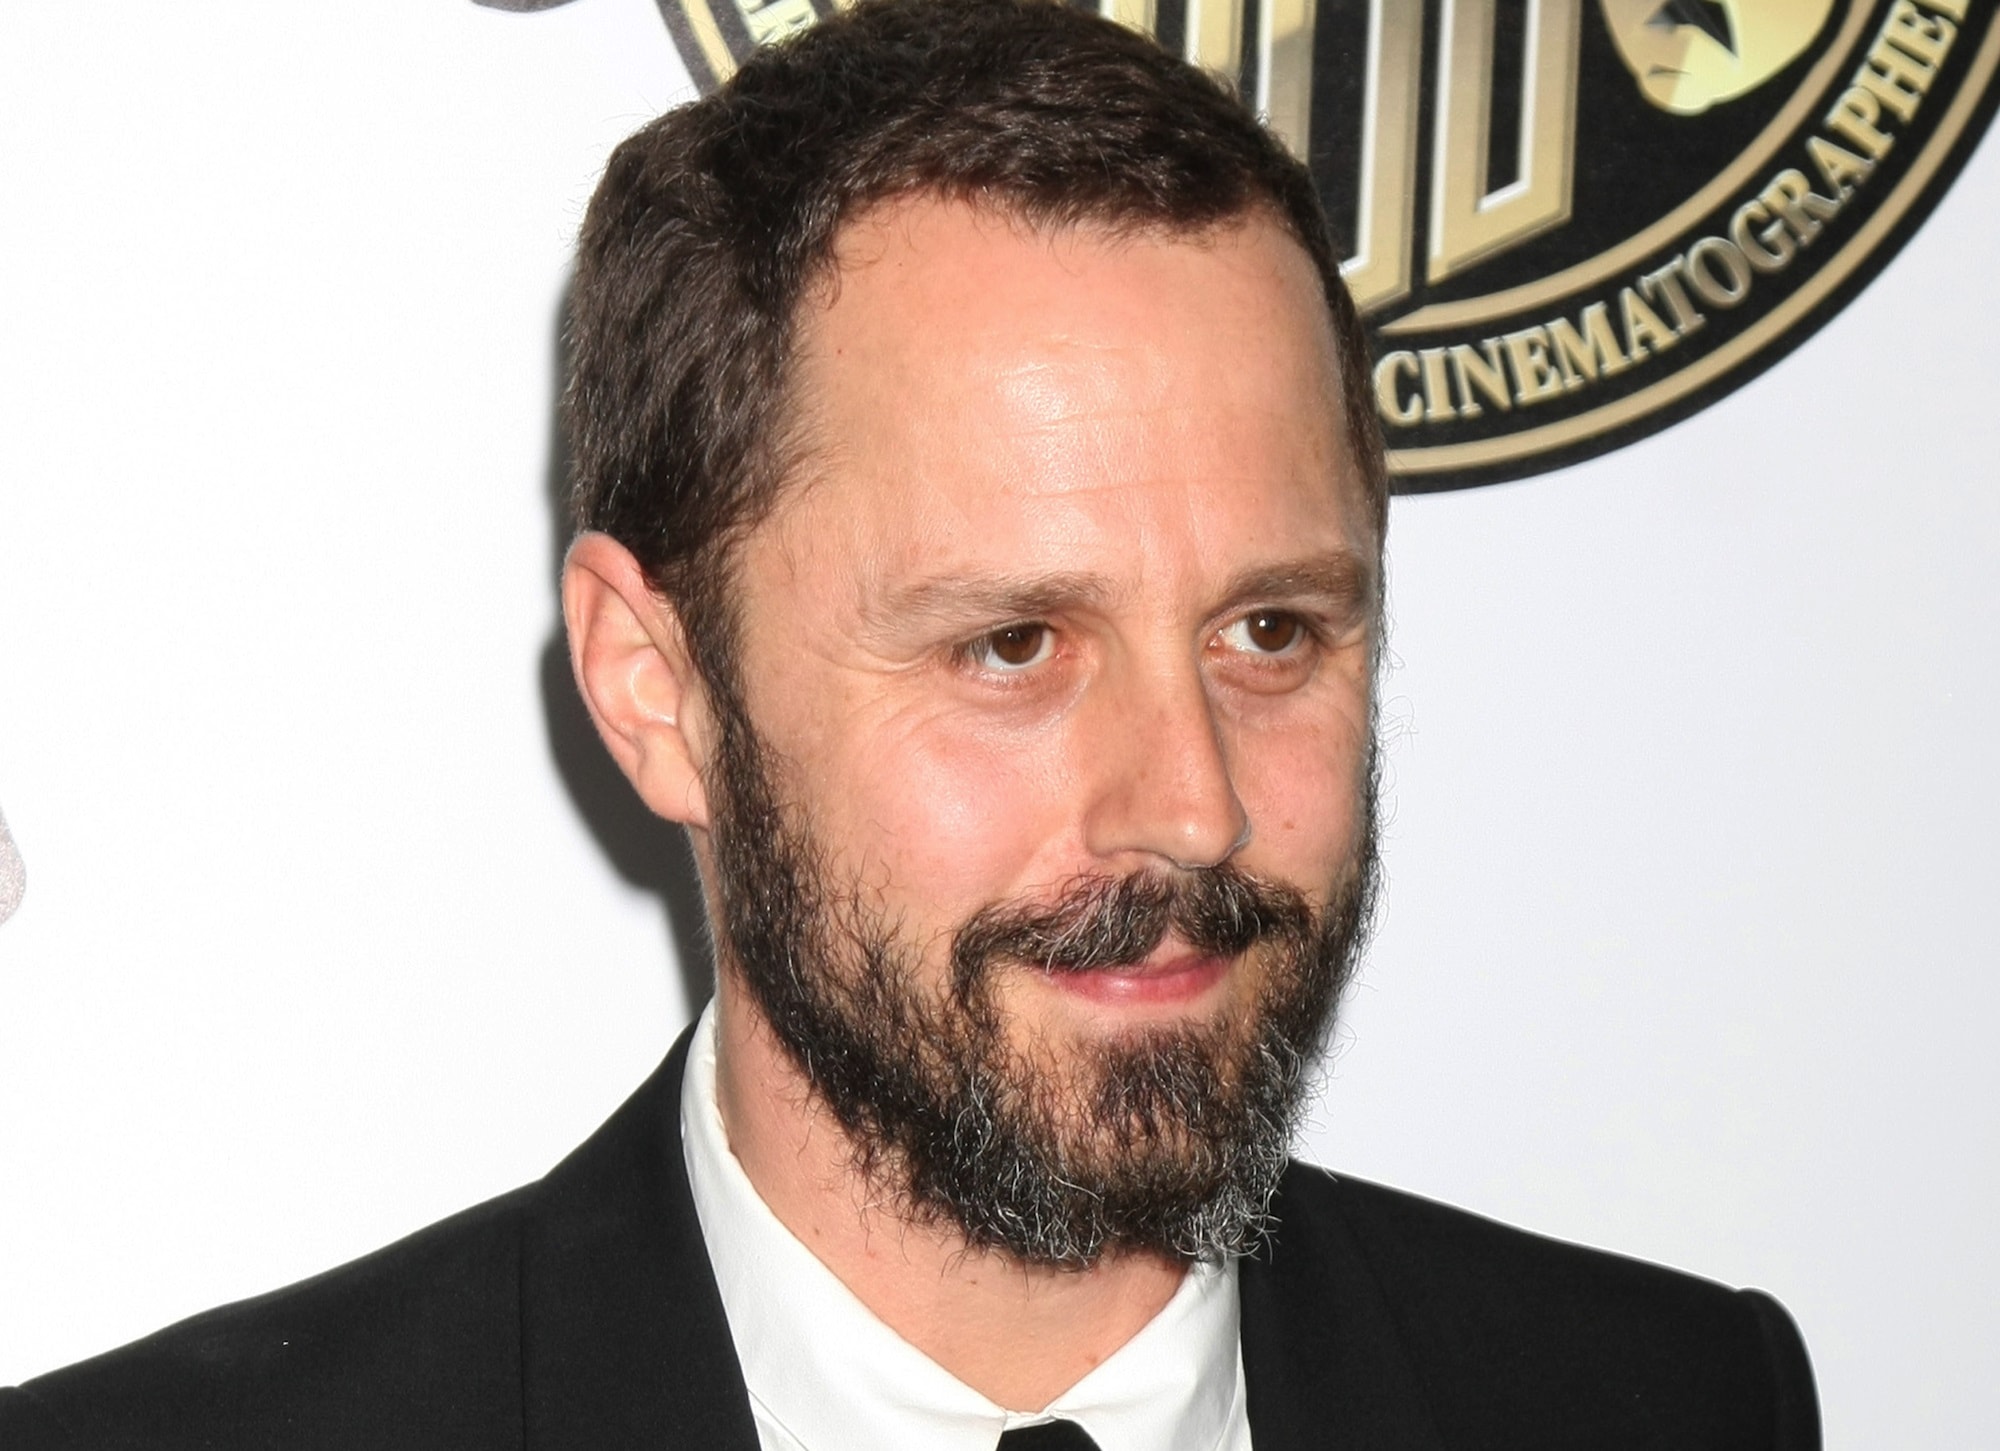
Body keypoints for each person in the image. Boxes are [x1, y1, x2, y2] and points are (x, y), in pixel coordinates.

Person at [0, 1, 1820, 1445]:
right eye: (1013, 647)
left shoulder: (1664, 1405)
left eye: (1272, 631)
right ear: (658, 686)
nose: (1192, 808)